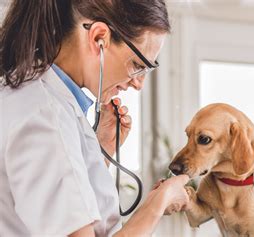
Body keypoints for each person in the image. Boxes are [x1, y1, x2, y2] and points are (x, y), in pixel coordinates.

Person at [0, 0, 189, 236]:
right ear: (99, 38)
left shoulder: (40, 99)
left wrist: (100, 151)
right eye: (138, 65)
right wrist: (158, 204)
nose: (138, 84)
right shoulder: (45, 117)